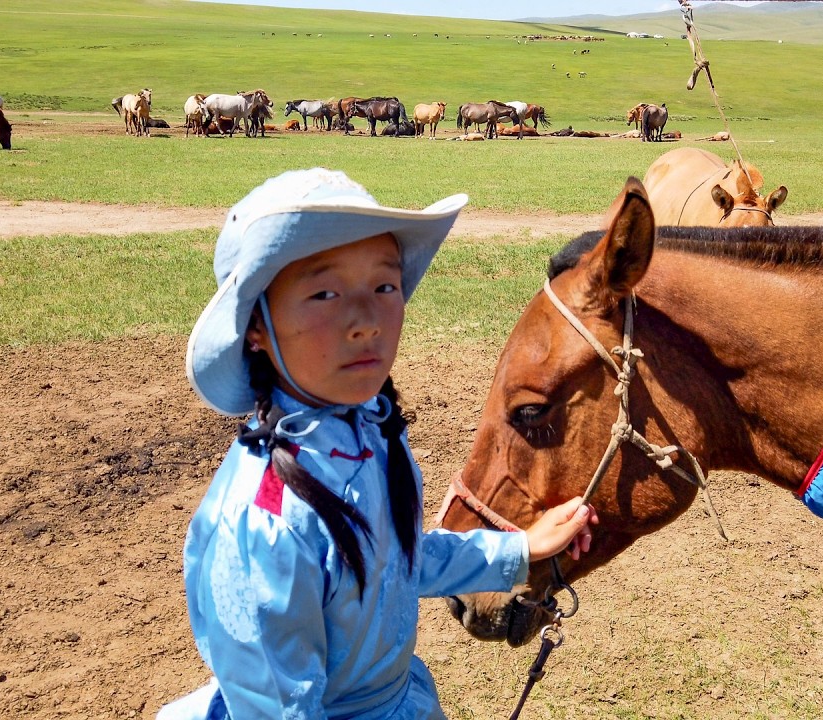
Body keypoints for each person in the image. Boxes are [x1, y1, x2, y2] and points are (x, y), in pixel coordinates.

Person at [161, 168, 597, 720]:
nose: (366, 321)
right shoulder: (261, 524)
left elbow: (396, 562)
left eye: (384, 286)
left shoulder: (372, 429)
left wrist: (521, 549)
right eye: (324, 292)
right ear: (256, 328)